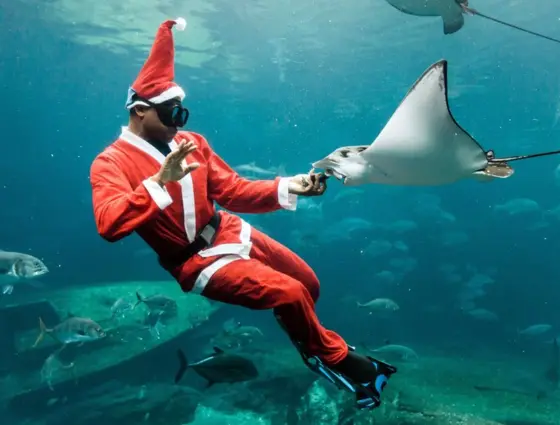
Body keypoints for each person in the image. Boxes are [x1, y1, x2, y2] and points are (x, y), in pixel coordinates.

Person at [89, 18, 396, 409]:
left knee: (308, 284)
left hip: (226, 229)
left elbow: (232, 191)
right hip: (195, 261)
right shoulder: (110, 163)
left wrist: (289, 186)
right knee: (290, 293)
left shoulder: (191, 142)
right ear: (138, 111)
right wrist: (159, 181)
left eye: (182, 114)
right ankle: (333, 359)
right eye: (169, 114)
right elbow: (108, 224)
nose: (178, 125)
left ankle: (308, 343)